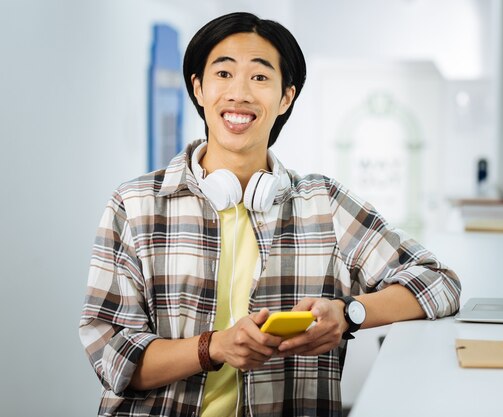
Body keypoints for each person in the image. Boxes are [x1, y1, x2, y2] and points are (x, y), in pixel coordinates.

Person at [79, 12, 461, 417]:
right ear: (199, 89)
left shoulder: (324, 204)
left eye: (260, 78)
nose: (239, 93)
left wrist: (349, 314)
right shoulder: (135, 204)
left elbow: (440, 282)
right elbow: (111, 355)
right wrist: (215, 347)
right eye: (223, 74)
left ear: (285, 97)